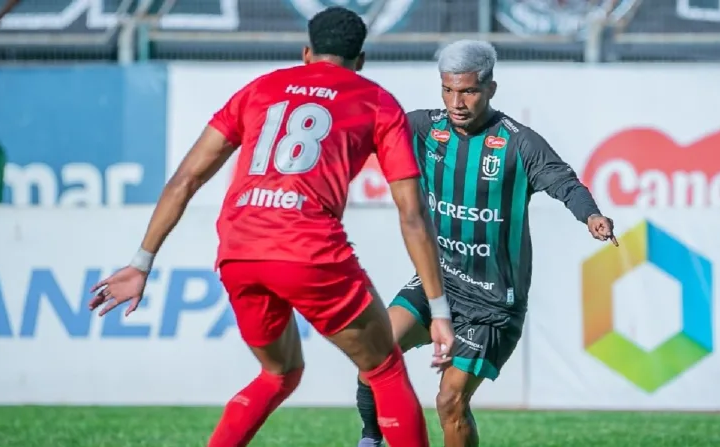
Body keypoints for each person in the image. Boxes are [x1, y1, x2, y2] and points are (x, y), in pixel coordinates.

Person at [87, 7, 455, 447]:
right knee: (384, 368)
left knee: (279, 372)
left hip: (239, 252)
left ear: (306, 52)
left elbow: (185, 179)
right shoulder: (376, 101)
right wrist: (438, 309)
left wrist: (141, 262)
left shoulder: (260, 89)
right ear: (360, 60)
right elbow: (411, 214)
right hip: (309, 251)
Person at [355, 39, 618, 447]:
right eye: (448, 90)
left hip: (493, 302)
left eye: (469, 91)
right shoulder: (425, 128)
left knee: (450, 400)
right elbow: (370, 129)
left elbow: (564, 181)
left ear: (490, 88)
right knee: (373, 352)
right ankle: (370, 440)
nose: (457, 101)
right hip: (437, 284)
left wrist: (591, 214)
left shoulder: (519, 142)